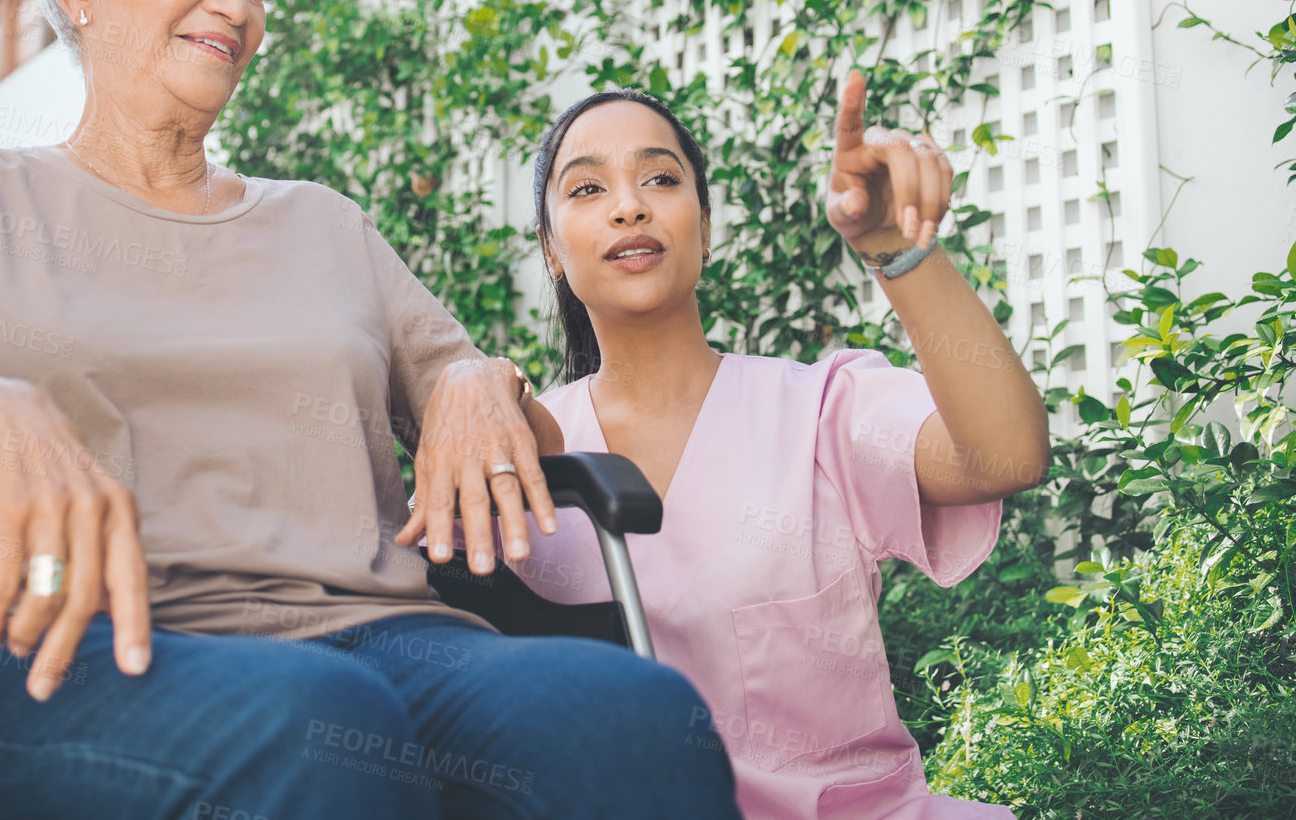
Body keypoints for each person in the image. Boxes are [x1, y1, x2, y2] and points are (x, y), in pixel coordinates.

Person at [0, 0, 741, 820]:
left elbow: (524, 439)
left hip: (382, 639)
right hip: (59, 638)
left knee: (639, 714)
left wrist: (486, 379)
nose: (236, 3)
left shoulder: (324, 224)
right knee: (311, 722)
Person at [402, 82, 1048, 818]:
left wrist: (896, 252)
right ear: (551, 250)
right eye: (587, 188)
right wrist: (472, 380)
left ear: (705, 229)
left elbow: (1006, 456)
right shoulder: (513, 451)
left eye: (660, 179)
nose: (629, 206)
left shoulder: (821, 411)